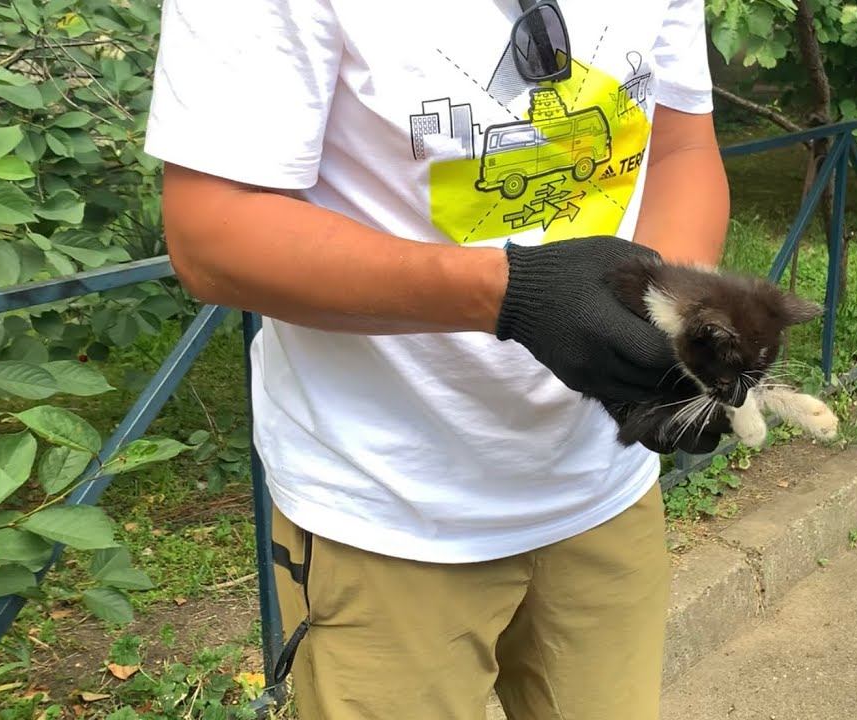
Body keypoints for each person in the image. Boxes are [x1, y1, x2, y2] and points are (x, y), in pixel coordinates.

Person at [145, 0, 731, 717]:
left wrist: (671, 321)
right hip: (389, 509)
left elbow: (678, 147)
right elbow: (212, 235)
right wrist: (511, 295)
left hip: (603, 487)